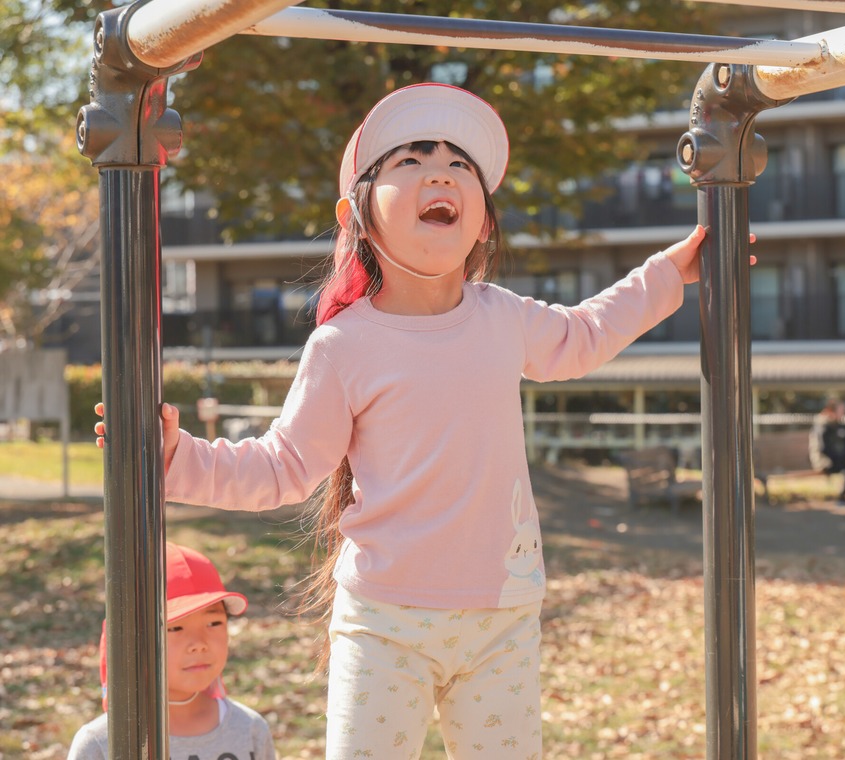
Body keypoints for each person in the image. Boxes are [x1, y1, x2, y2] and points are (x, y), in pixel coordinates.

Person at [95, 83, 750, 759]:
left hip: (502, 611)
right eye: (410, 160)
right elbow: (282, 466)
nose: (440, 173)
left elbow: (584, 335)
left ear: (483, 223)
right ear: (356, 215)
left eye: (459, 164)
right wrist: (173, 456)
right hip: (385, 620)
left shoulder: (502, 316)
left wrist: (669, 273)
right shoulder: (344, 345)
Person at [68, 542, 275, 760]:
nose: (199, 643)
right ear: (131, 641)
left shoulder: (250, 730)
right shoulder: (101, 744)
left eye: (213, 623)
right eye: (175, 628)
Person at [810, 398, 845, 505]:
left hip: (840, 460)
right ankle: (842, 498)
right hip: (825, 461)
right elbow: (823, 449)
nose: (844, 413)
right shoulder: (823, 425)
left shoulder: (842, 426)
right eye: (841, 410)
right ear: (832, 411)